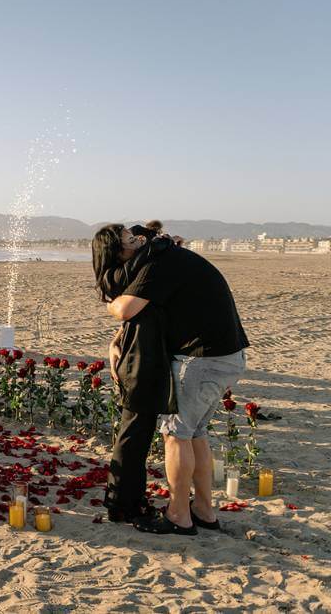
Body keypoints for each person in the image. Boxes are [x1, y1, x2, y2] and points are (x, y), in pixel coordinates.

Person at [105, 227, 250, 535]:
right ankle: (203, 510)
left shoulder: (158, 262)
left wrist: (110, 303)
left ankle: (178, 515)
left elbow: (125, 309)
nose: (128, 250)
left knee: (175, 435)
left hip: (202, 359)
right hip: (228, 355)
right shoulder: (170, 255)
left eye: (128, 244)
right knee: (195, 433)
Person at [93, 223, 179, 524]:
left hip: (142, 352)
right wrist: (158, 245)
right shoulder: (117, 274)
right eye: (131, 240)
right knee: (133, 434)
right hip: (140, 357)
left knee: (136, 434)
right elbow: (129, 306)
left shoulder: (127, 271)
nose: (138, 242)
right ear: (117, 251)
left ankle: (126, 500)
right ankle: (121, 504)